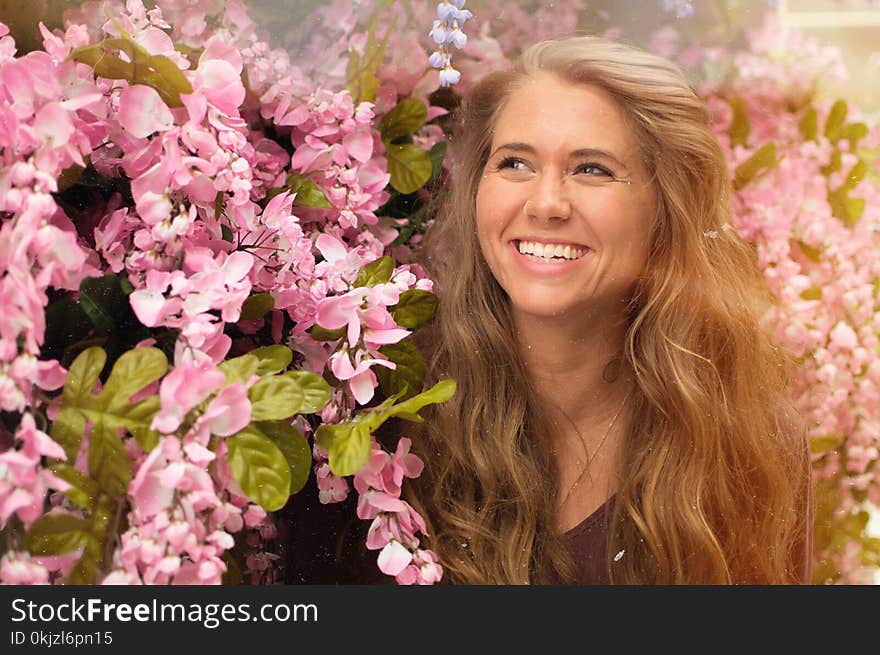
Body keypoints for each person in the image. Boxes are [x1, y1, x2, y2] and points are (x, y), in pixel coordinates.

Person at [400, 35, 814, 585]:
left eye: (591, 169)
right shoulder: (397, 421)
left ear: (666, 209)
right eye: (515, 163)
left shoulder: (752, 440)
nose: (546, 204)